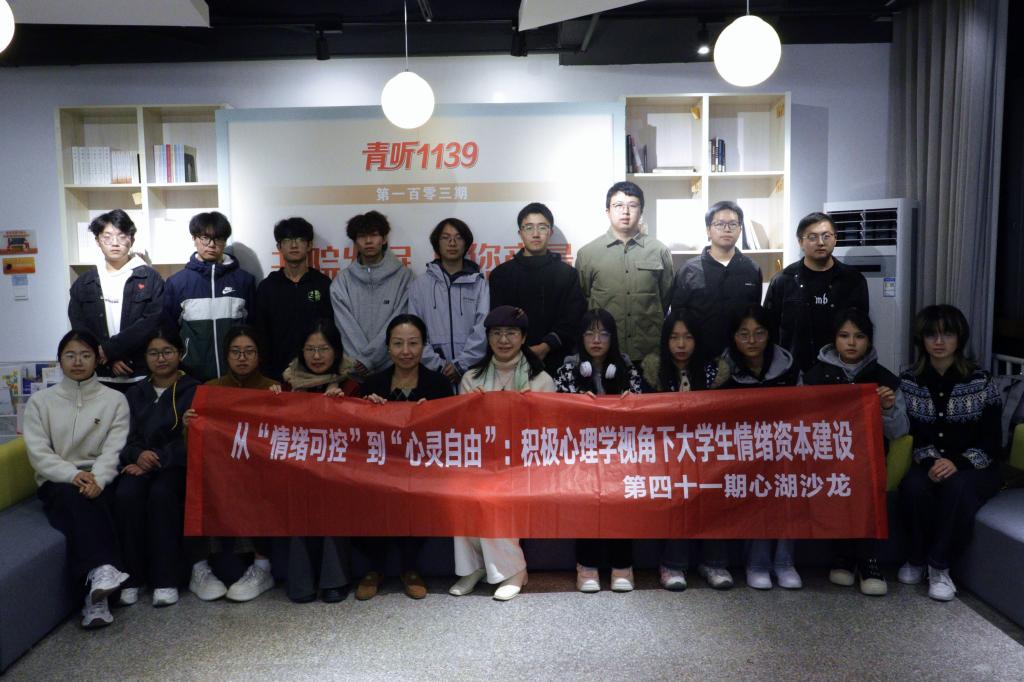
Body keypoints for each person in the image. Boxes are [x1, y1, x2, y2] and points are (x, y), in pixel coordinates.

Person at [22, 330, 131, 628]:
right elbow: (39, 453)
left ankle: (95, 599)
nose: (78, 362)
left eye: (85, 355)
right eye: (70, 355)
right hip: (58, 480)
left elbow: (115, 448)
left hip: (101, 476)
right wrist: (74, 475)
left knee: (103, 499)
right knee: (77, 498)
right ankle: (103, 574)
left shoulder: (115, 400)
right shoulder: (40, 402)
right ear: (59, 360)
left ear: (97, 359)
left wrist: (98, 478)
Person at [897, 304, 1004, 602]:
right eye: (931, 335)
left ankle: (939, 566)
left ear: (960, 338)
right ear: (922, 339)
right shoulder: (909, 380)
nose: (939, 342)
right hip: (929, 461)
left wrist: (956, 463)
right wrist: (932, 461)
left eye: (947, 334)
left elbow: (992, 440)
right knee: (913, 487)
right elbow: (913, 434)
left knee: (957, 488)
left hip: (975, 465)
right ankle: (916, 558)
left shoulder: (981, 381)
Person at [450, 306, 555, 601]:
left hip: (524, 465)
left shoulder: (541, 380)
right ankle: (473, 567)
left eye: (511, 333)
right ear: (488, 338)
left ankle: (514, 571)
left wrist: (530, 410)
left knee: (493, 493)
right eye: (497, 333)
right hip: (482, 462)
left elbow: (550, 432)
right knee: (460, 490)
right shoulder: (472, 378)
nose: (504, 340)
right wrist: (473, 409)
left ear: (523, 338)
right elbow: (462, 430)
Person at [802, 308, 909, 596]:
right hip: (825, 459)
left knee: (862, 482)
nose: (851, 343)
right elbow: (799, 423)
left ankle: (867, 560)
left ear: (869, 340)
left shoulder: (885, 379)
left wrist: (887, 408)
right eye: (844, 336)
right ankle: (844, 557)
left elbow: (899, 431)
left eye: (859, 336)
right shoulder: (813, 377)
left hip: (869, 460)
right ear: (834, 339)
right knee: (838, 483)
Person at [357, 314, 454, 600]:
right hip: (379, 468)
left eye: (413, 343)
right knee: (369, 492)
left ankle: (410, 568)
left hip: (423, 469)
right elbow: (357, 433)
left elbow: (450, 432)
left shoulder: (438, 384)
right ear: (388, 347)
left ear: (424, 346)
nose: (406, 351)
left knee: (417, 493)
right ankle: (374, 568)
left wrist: (432, 414)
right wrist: (367, 408)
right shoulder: (372, 383)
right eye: (398, 343)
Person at [183, 325, 280, 603]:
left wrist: (279, 403)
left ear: (259, 355)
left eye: (249, 351)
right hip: (220, 469)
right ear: (226, 356)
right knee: (199, 480)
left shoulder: (272, 388)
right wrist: (189, 426)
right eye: (236, 352)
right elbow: (195, 446)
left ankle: (261, 565)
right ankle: (200, 567)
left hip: (257, 470)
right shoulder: (210, 390)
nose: (242, 358)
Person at [641, 310, 732, 591]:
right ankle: (672, 564)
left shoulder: (715, 371)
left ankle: (714, 563)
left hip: (707, 452)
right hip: (667, 454)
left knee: (714, 491)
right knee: (677, 492)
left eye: (688, 337)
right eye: (674, 337)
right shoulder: (653, 371)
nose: (681, 344)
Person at [113, 326, 201, 608]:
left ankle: (166, 579)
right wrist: (137, 455)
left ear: (179, 353)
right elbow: (122, 436)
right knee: (126, 495)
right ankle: (133, 578)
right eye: (153, 353)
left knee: (162, 495)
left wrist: (156, 459)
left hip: (176, 465)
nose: (161, 358)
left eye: (167, 352)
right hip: (138, 463)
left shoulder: (195, 390)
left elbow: (195, 440)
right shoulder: (134, 393)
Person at [555, 309, 641, 593]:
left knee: (622, 497)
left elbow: (643, 412)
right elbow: (556, 413)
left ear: (613, 337)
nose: (596, 340)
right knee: (586, 498)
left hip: (620, 454)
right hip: (582, 455)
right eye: (590, 333)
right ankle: (587, 565)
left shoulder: (627, 369)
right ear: (580, 337)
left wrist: (632, 402)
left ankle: (622, 565)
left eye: (603, 333)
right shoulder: (567, 371)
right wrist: (577, 404)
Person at [720, 305, 802, 589]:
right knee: (757, 479)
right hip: (739, 452)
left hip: (784, 448)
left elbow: (805, 412)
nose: (752, 341)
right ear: (733, 337)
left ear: (769, 335)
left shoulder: (789, 367)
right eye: (744, 334)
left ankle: (784, 561)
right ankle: (757, 563)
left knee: (788, 480)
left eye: (759, 333)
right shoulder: (722, 372)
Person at [275, 319, 353, 603]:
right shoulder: (286, 385)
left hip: (340, 472)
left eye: (324, 349)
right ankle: (301, 580)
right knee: (298, 492)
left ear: (336, 351)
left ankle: (335, 580)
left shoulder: (351, 384)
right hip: (297, 469)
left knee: (330, 492)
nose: (317, 356)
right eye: (310, 349)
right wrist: (272, 403)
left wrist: (344, 407)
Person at [576, 182, 674, 364]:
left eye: (632, 205)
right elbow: (584, 298)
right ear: (607, 211)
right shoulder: (587, 254)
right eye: (618, 205)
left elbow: (665, 297)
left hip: (649, 353)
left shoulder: (659, 251)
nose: (625, 212)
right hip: (605, 354)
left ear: (641, 211)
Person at [68, 209, 165, 392]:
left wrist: (111, 349)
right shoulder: (84, 282)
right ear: (97, 241)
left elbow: (152, 322)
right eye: (107, 237)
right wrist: (109, 357)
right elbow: (79, 325)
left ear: (132, 240)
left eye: (122, 236)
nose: (115, 243)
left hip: (141, 373)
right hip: (98, 375)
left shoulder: (150, 278)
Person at [764, 212, 869, 371]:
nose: (820, 242)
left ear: (835, 239)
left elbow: (862, 330)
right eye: (812, 237)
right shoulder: (783, 281)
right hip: (793, 371)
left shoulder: (853, 280)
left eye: (826, 236)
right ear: (800, 242)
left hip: (841, 371)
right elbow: (769, 330)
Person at [489, 202, 586, 374]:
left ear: (550, 232)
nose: (535, 234)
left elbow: (573, 318)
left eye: (542, 227)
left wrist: (546, 346)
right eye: (529, 228)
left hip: (558, 361)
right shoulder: (501, 275)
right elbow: (497, 322)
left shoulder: (567, 274)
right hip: (511, 361)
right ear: (520, 233)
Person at [163, 211, 256, 382]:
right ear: (194, 238)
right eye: (205, 238)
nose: (211, 245)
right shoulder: (177, 283)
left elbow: (253, 328)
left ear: (225, 241)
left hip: (236, 377)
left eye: (218, 238)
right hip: (191, 376)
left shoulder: (244, 281)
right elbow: (168, 332)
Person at [670, 200, 763, 359]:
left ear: (740, 229)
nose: (727, 229)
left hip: (742, 356)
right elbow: (678, 318)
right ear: (708, 230)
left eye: (733, 224)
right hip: (700, 356)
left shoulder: (752, 269)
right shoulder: (689, 270)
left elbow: (755, 314)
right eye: (720, 224)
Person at [330, 210, 413, 379]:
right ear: (355, 242)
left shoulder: (405, 278)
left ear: (384, 239)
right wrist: (360, 361)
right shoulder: (342, 281)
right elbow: (345, 327)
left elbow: (400, 322)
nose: (368, 241)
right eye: (362, 236)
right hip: (353, 372)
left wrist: (369, 359)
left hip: (394, 368)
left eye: (374, 235)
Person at [251, 217, 335, 381]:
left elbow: (332, 332)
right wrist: (267, 373)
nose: (294, 245)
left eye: (300, 239)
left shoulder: (323, 284)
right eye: (287, 240)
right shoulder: (267, 287)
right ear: (279, 247)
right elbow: (260, 333)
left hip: (317, 373)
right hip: (276, 375)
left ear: (309, 245)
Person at [407, 218, 488, 386]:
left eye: (458, 237)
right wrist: (437, 365)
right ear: (437, 243)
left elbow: (483, 327)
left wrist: (461, 364)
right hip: (431, 373)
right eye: (446, 237)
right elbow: (414, 331)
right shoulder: (420, 285)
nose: (452, 243)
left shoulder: (479, 284)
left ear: (466, 244)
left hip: (471, 374)